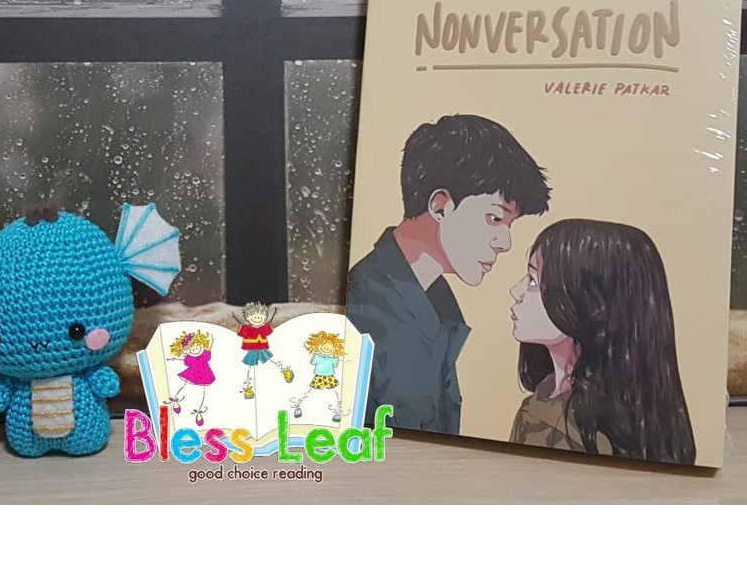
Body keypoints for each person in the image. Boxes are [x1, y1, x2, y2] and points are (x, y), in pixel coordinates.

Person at [347, 114, 550, 434]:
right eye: (495, 219)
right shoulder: (365, 304)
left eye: (509, 225)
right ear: (440, 206)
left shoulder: (434, 302)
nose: (505, 243)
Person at [509, 219, 696, 464]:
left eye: (534, 281)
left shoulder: (574, 432)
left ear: (592, 305)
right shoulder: (542, 401)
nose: (516, 291)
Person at [231, 302, 293, 398]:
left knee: (271, 360)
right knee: (250, 368)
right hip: (252, 350)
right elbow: (241, 330)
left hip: (262, 348)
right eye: (253, 316)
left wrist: (272, 318)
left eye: (260, 317)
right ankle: (248, 388)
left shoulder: (263, 328)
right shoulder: (247, 329)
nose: (257, 319)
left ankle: (285, 371)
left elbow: (269, 329)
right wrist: (235, 319)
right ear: (248, 317)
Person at [290, 331, 348, 422]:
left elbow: (336, 365)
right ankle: (299, 406)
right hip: (319, 377)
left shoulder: (333, 359)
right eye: (323, 347)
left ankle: (337, 410)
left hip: (329, 377)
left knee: (334, 392)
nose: (326, 349)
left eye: (329, 348)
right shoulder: (317, 356)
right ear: (318, 346)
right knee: (310, 391)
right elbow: (312, 362)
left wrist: (336, 356)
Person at [166, 330, 216, 427]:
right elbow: (187, 362)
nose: (196, 350)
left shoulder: (204, 355)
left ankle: (199, 411)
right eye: (192, 349)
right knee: (184, 386)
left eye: (198, 347)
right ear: (186, 351)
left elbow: (207, 355)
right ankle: (176, 400)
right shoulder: (190, 358)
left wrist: (210, 345)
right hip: (192, 373)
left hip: (205, 374)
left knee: (202, 391)